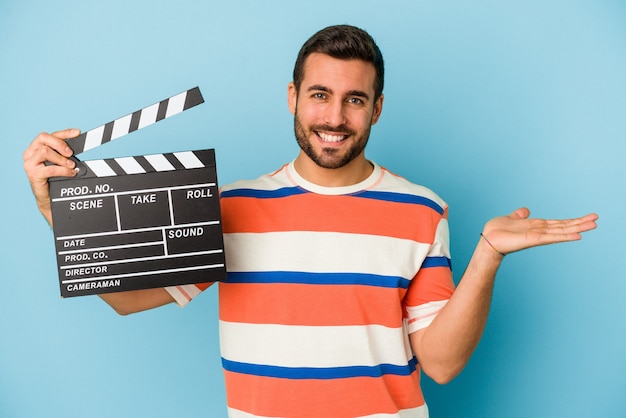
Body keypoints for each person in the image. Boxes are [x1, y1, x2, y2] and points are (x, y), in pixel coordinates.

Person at [23, 25, 597, 418]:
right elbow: (127, 299)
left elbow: (441, 365)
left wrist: (487, 256)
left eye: (354, 99)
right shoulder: (231, 208)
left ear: (376, 108)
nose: (335, 116)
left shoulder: (423, 209)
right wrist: (58, 211)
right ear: (293, 97)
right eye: (320, 94)